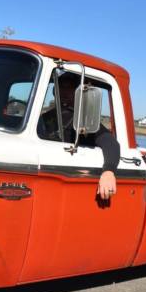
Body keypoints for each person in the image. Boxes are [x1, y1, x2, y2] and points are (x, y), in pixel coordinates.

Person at [38, 72, 120, 200]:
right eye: (61, 88)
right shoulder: (45, 117)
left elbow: (110, 142)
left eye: (69, 88)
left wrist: (109, 172)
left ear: (78, 94)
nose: (64, 92)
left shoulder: (84, 120)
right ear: (55, 91)